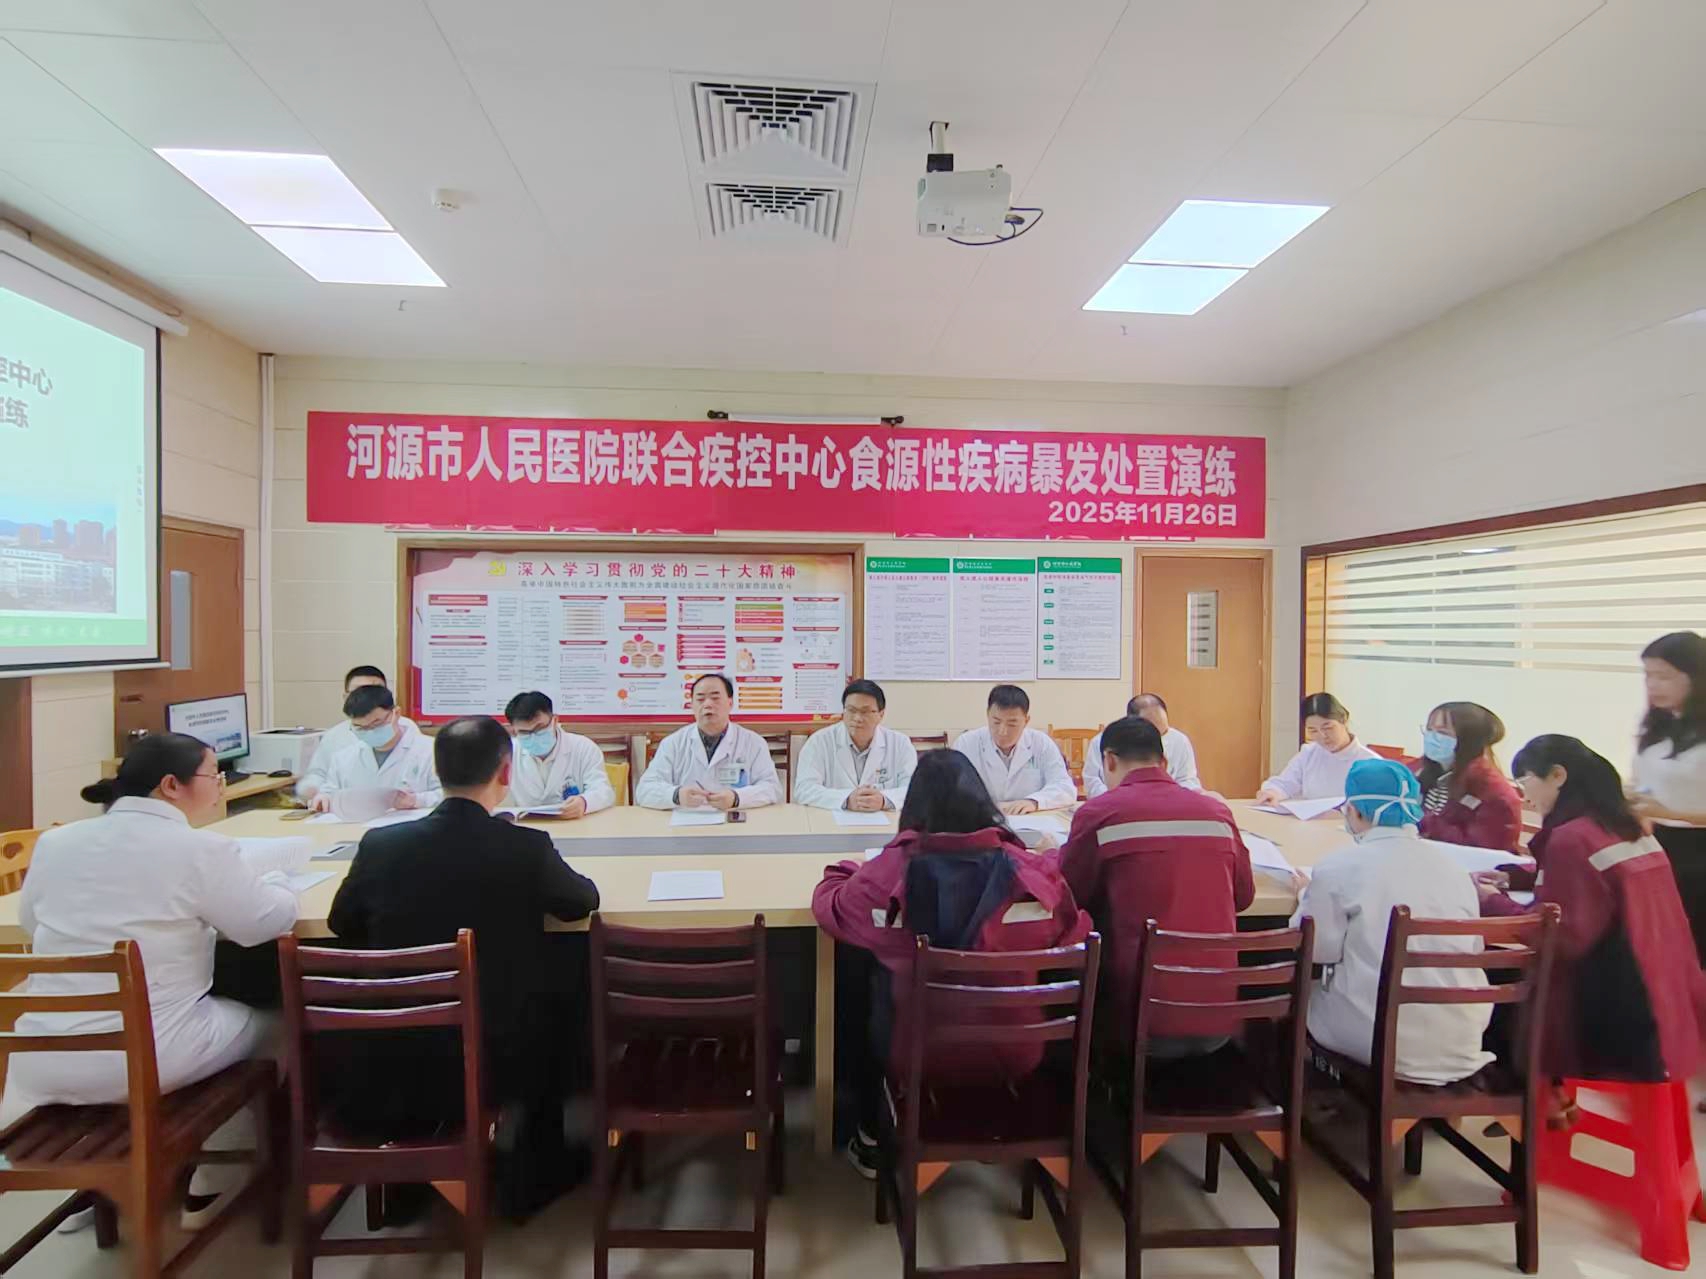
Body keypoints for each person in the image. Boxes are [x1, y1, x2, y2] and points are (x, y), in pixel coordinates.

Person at [0, 734, 299, 1228]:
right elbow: (259, 925)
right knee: (279, 1022)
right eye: (214, 775)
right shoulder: (199, 849)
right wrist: (279, 885)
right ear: (171, 786)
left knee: (175, 1018)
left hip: (42, 1061)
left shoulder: (57, 842)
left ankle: (96, 1182)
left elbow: (33, 925)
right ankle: (214, 1178)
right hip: (149, 1060)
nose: (221, 785)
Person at [326, 716, 601, 1211]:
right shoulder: (524, 847)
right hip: (503, 1047)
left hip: (396, 1040)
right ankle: (540, 1167)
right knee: (565, 994)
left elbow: (342, 922)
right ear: (506, 772)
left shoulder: (381, 846)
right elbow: (581, 902)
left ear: (438, 771)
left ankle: (410, 1177)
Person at [812, 749, 1089, 1176]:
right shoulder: (1028, 874)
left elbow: (831, 911)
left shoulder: (890, 870)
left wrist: (842, 872)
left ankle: (871, 1132)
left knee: (863, 981)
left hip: (917, 1051)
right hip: (1018, 1051)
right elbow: (1074, 930)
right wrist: (1049, 860)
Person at [1483, 736, 1705, 1116]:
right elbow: (1598, 884)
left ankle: (1520, 1108)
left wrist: (1491, 902)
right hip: (1665, 996)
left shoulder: (1570, 838)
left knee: (1495, 985)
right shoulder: (1623, 824)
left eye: (1525, 782)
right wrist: (1516, 878)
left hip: (1614, 1008)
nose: (1524, 796)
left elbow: (1561, 936)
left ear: (1558, 776)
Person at [1056, 715, 1254, 1055]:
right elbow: (1244, 896)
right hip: (1218, 1013)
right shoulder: (1216, 812)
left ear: (1109, 761)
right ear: (1164, 762)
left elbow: (1071, 895)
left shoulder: (1100, 812)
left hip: (1137, 1017)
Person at [1290, 759, 1494, 1085]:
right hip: (1461, 1039)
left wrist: (1306, 895)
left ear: (1354, 810)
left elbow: (1316, 950)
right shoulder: (1455, 870)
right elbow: (1472, 948)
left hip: (1378, 1040)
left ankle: (1300, 1098)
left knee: (1290, 1001)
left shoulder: (1341, 866)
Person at [1629, 631, 1706, 966]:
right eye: (1648, 675)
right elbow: (1646, 782)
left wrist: (1671, 811)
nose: (1653, 685)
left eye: (1664, 676)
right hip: (1656, 844)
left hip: (1698, 853)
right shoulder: (1659, 726)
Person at [634, 673, 782, 810]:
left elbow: (772, 788)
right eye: (700, 699)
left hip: (735, 819)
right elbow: (644, 790)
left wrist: (737, 798)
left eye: (715, 698)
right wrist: (676, 795)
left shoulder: (753, 743)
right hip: (686, 822)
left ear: (730, 703)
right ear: (692, 705)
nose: (707, 704)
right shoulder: (673, 743)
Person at [309, 683, 441, 815]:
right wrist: (323, 798)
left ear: (396, 713)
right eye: (360, 728)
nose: (370, 732)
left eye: (377, 723)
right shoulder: (343, 758)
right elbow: (330, 793)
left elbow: (448, 796)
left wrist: (417, 800)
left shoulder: (432, 750)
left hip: (412, 826)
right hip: (357, 826)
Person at [793, 679, 918, 811]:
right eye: (851, 710)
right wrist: (846, 800)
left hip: (884, 820)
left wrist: (884, 800)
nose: (857, 718)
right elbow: (804, 789)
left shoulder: (900, 744)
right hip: (831, 820)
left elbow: (915, 790)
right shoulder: (819, 741)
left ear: (881, 714)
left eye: (865, 711)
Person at [296, 665, 415, 802]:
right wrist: (313, 790)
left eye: (374, 691)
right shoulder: (335, 736)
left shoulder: (407, 729)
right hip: (349, 809)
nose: (366, 697)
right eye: (359, 692)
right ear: (346, 697)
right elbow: (319, 775)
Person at [1413, 701, 1522, 852]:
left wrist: (1424, 821)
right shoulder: (1419, 769)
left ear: (1468, 741)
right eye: (1429, 730)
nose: (1432, 738)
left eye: (1443, 733)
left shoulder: (1494, 793)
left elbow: (1483, 849)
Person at [953, 684, 1077, 814]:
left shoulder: (1041, 743)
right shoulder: (966, 743)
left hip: (1030, 818)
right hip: (981, 817)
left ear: (1026, 721)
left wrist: (1034, 802)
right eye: (996, 722)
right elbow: (952, 792)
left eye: (1012, 724)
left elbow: (1065, 787)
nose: (1002, 731)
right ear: (987, 715)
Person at [503, 690, 616, 818]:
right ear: (513, 730)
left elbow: (603, 791)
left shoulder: (584, 748)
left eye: (540, 728)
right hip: (527, 824)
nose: (533, 737)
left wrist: (584, 802)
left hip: (575, 823)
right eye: (525, 732)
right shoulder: (508, 752)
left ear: (555, 721)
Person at [1256, 692, 1379, 803]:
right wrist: (1272, 792)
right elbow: (1284, 784)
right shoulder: (1309, 753)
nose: (1322, 736)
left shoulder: (1370, 762)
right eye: (1313, 730)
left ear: (1344, 720)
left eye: (1328, 728)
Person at [1082, 693, 1201, 797]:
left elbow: (1189, 780)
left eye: (1164, 732)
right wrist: (1117, 799)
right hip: (1115, 805)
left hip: (1168, 805)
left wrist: (1167, 797)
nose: (1157, 738)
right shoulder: (1103, 741)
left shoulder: (1179, 740)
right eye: (1150, 730)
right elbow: (1092, 781)